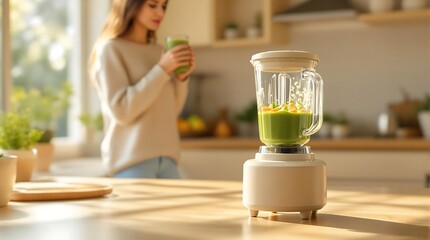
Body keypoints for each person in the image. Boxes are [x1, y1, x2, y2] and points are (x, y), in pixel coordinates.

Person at [88, 0, 195, 178]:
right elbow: (121, 111)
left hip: (168, 161)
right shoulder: (111, 49)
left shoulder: (160, 51)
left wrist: (181, 79)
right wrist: (161, 70)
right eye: (152, 5)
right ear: (131, 6)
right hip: (131, 164)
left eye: (164, 6)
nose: (160, 12)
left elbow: (171, 111)